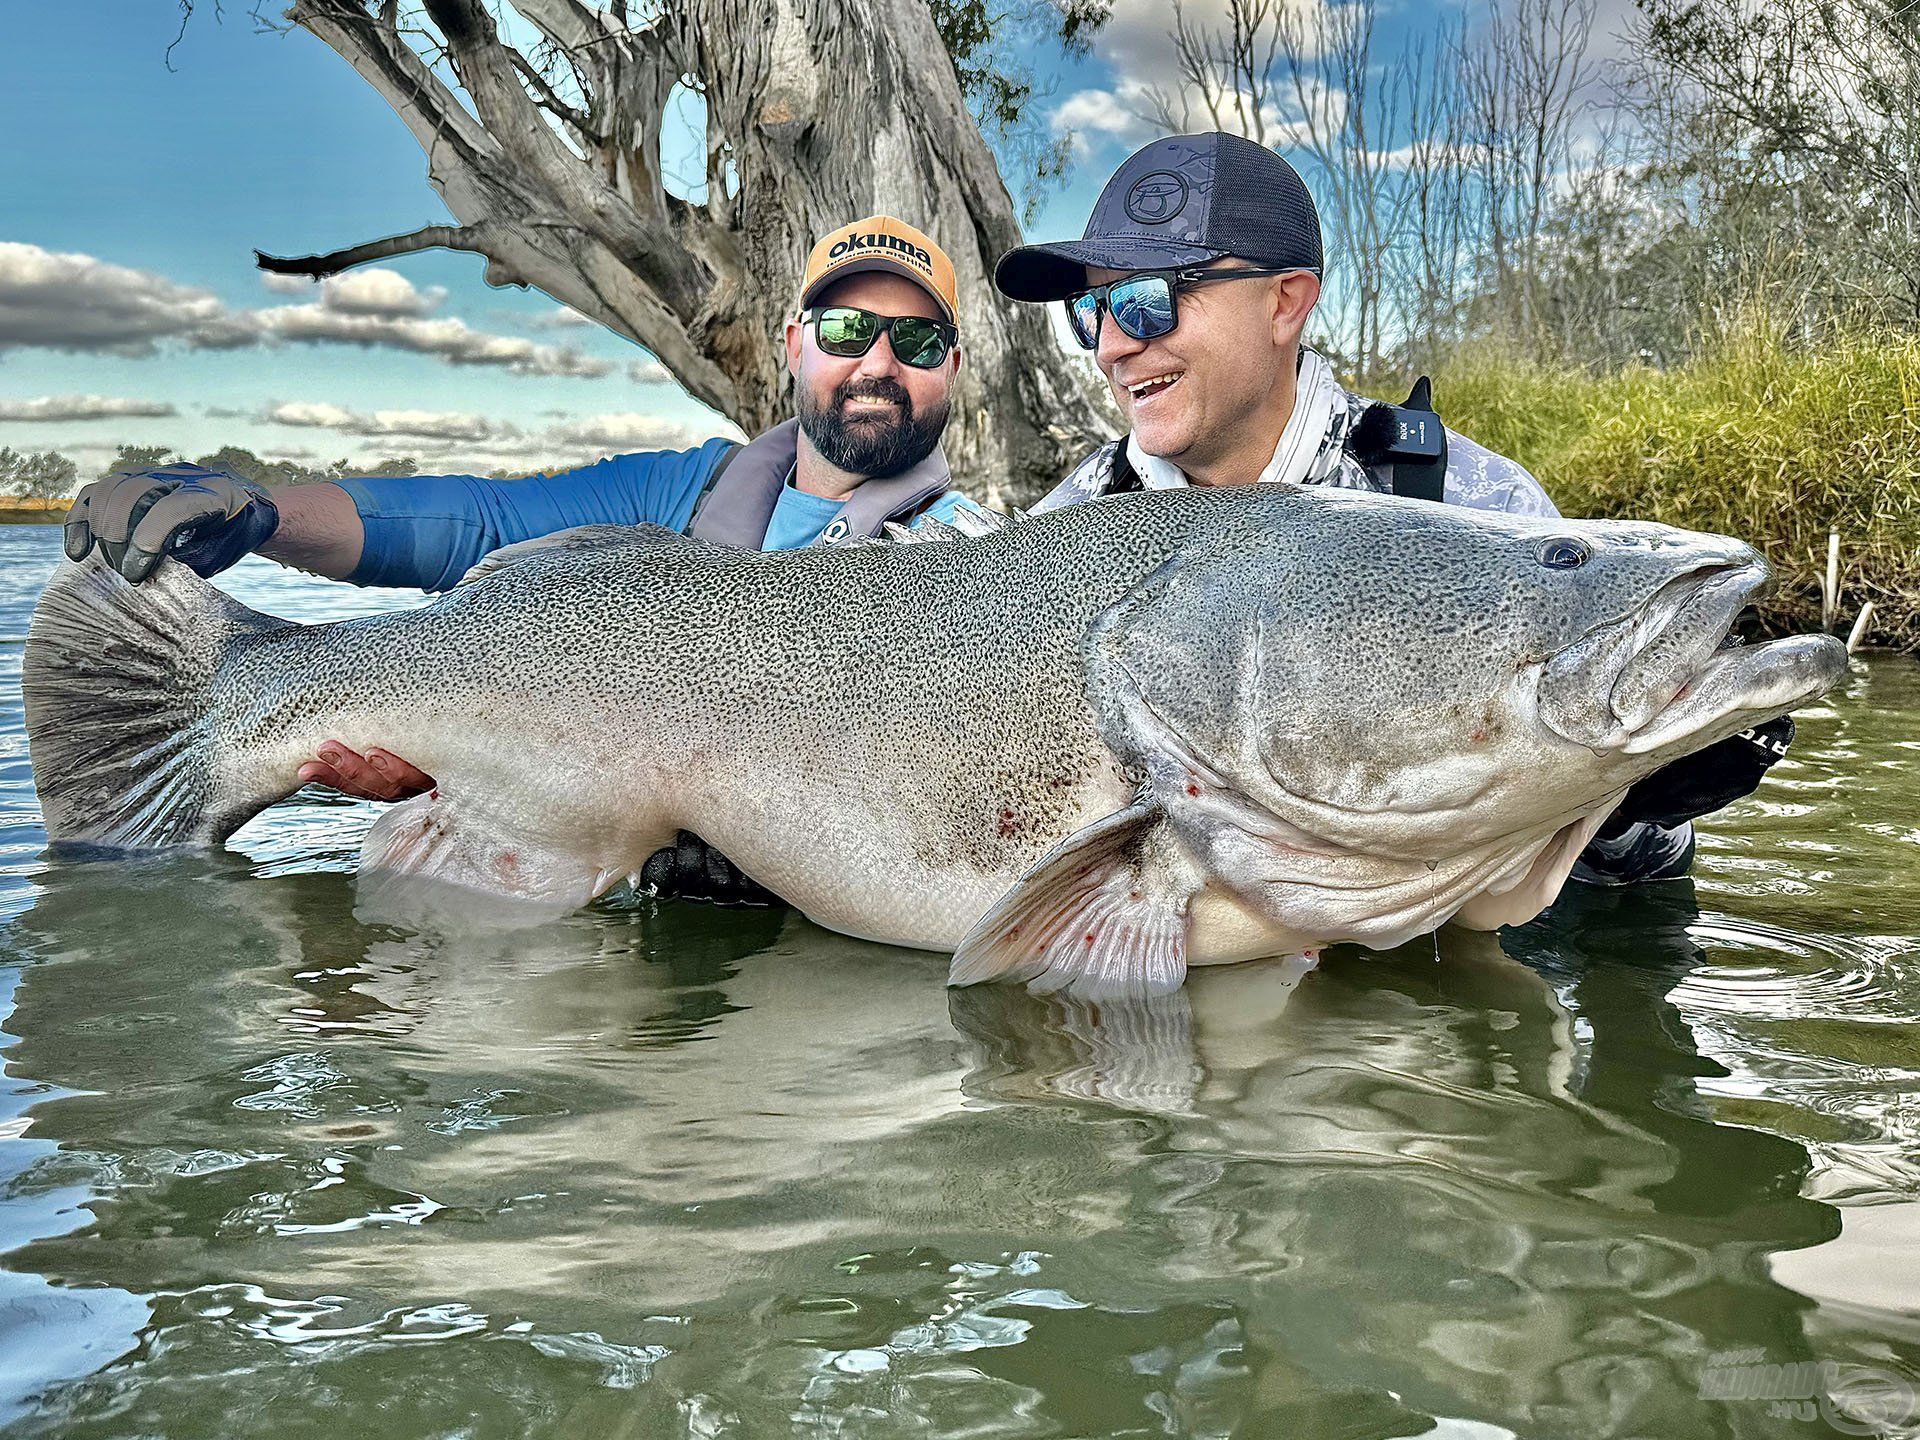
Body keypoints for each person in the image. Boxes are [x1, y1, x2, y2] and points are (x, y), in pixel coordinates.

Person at [61, 214, 978, 902]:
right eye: (848, 331)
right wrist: (259, 515)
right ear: (793, 344)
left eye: (919, 340)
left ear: (953, 368)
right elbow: (474, 519)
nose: (880, 362)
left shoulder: (977, 562)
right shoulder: (683, 491)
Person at [991, 131, 1794, 885]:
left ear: (1285, 303)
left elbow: (1644, 882)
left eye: (1145, 301)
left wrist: (1626, 804)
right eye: (1089, 311)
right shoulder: (1062, 531)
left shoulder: (1478, 506)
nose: (1110, 347)